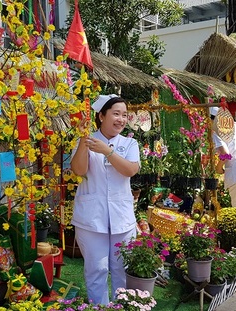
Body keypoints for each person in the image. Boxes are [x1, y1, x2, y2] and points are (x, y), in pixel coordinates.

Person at [70, 94, 140, 304]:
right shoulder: (86, 140)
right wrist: (84, 140)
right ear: (101, 116)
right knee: (96, 269)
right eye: (116, 114)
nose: (121, 119)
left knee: (121, 268)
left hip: (122, 217)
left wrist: (107, 151)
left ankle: (121, 306)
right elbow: (79, 170)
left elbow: (130, 170)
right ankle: (99, 307)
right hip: (91, 218)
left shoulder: (130, 143)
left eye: (124, 115)